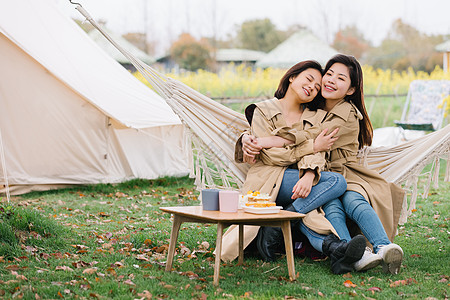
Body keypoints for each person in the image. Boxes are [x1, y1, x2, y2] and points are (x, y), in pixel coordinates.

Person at [240, 54, 405, 275]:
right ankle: (351, 253)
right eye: (329, 74)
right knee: (332, 204)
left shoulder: (343, 113)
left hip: (346, 173)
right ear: (292, 77)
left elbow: (311, 138)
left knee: (350, 197)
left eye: (340, 78)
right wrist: (245, 137)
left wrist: (270, 142)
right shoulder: (313, 108)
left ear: (351, 90)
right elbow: (312, 145)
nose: (329, 81)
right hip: (322, 173)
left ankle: (382, 246)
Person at [221, 60, 367, 273]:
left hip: (300, 183)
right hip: (268, 181)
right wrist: (309, 147)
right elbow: (271, 156)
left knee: (313, 215)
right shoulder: (262, 110)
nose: (312, 87)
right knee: (336, 182)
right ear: (292, 77)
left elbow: (320, 151)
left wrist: (309, 174)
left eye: (317, 87)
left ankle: (336, 249)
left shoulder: (315, 115)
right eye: (308, 80)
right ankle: (286, 221)